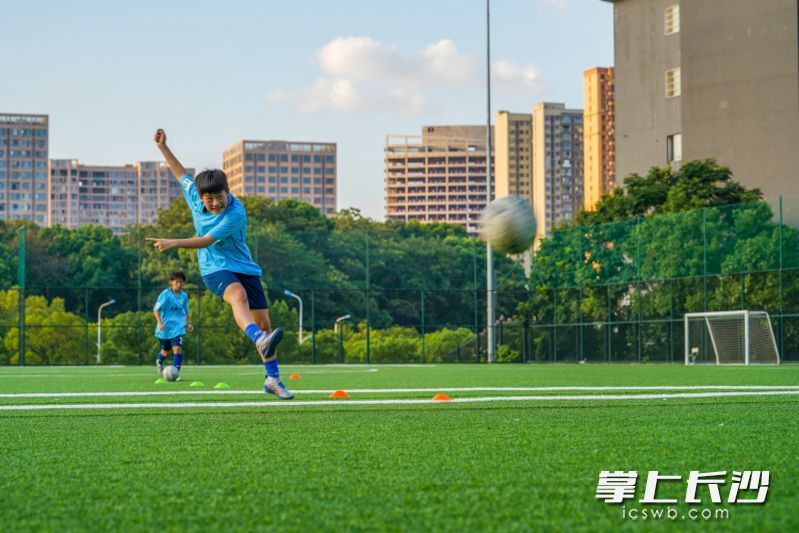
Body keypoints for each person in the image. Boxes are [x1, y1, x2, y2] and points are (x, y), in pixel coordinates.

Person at [147, 128, 293, 399]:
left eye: (219, 197)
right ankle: (257, 339)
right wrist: (163, 147)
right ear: (201, 197)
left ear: (229, 191)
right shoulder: (195, 196)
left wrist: (173, 242)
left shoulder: (236, 212)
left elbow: (206, 239)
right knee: (237, 296)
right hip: (214, 269)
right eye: (209, 198)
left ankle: (272, 379)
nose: (214, 203)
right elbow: (180, 173)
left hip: (245, 267)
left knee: (265, 324)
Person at [154, 271, 193, 378]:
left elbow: (186, 311)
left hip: (178, 328)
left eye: (181, 282)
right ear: (171, 282)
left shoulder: (184, 296)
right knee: (165, 351)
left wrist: (189, 323)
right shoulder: (165, 295)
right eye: (177, 282)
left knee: (177, 348)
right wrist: (160, 323)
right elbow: (156, 310)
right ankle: (159, 360)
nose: (179, 284)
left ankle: (176, 373)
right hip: (165, 328)